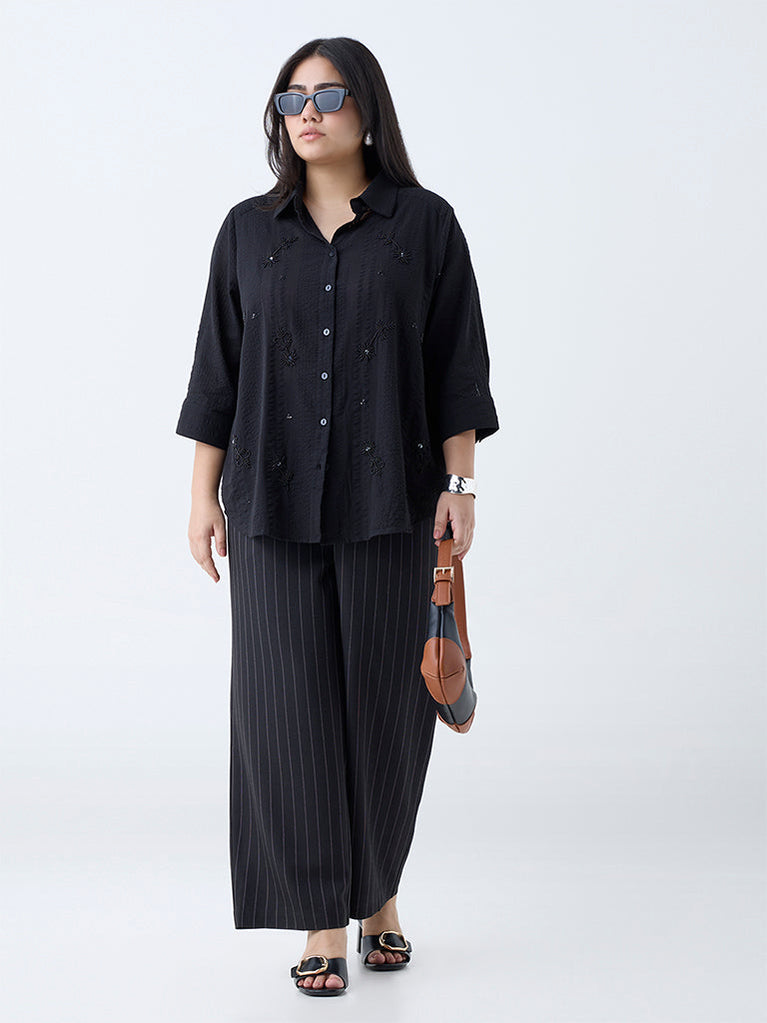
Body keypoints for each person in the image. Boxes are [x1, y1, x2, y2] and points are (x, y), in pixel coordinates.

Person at [176, 36, 500, 997]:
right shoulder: (246, 230)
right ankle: (322, 916)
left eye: (327, 94)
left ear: (367, 108)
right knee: (287, 713)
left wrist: (461, 486)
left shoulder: (424, 225)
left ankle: (380, 897)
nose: (307, 113)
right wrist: (200, 496)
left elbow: (456, 365)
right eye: (291, 98)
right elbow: (217, 370)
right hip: (268, 504)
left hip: (393, 499)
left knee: (388, 712)